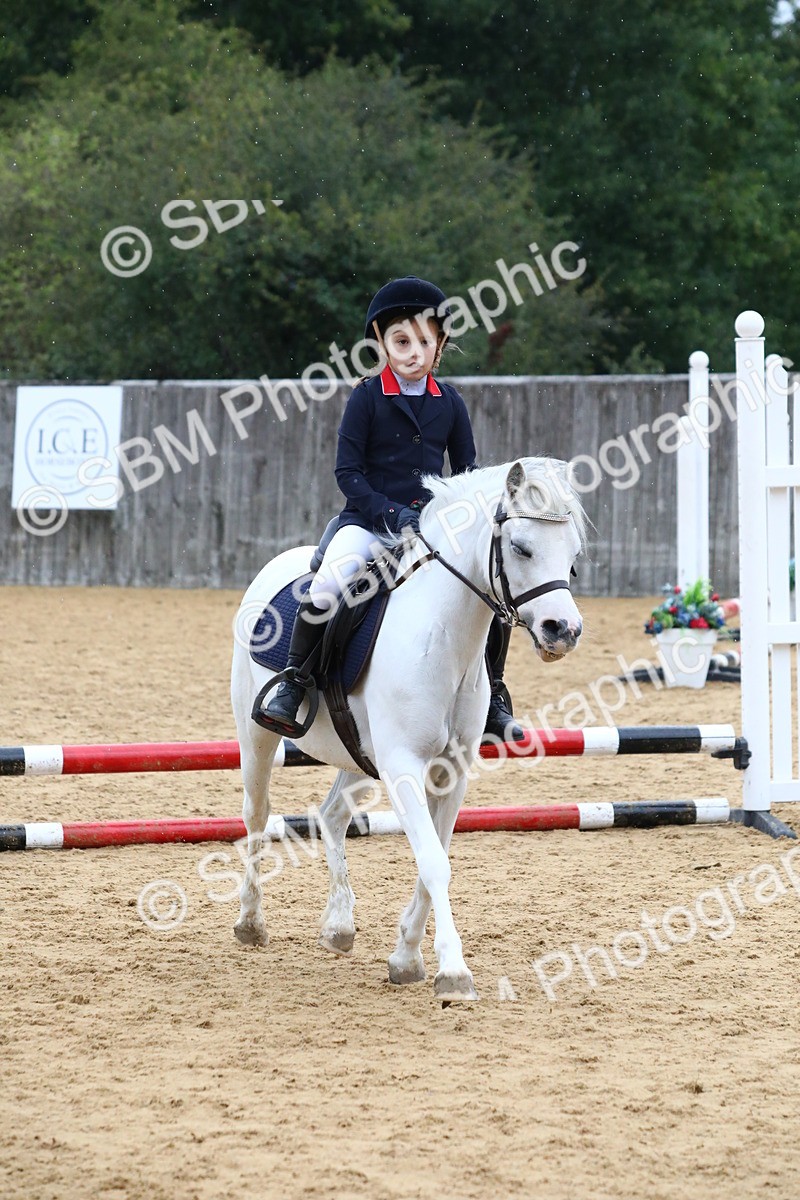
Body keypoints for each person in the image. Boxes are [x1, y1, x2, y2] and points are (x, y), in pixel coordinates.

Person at [259, 275, 523, 741]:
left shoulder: (451, 403)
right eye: (402, 340)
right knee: (329, 585)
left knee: (491, 596)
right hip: (367, 523)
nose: (413, 351)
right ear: (381, 342)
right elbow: (348, 474)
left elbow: (466, 471)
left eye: (424, 340)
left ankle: (494, 694)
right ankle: (295, 682)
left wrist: (460, 516)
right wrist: (389, 513)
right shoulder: (366, 397)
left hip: (432, 531)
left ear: (439, 344)